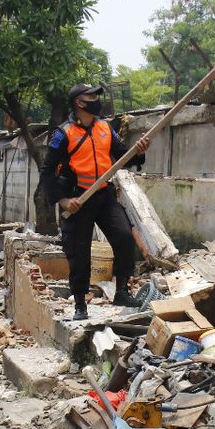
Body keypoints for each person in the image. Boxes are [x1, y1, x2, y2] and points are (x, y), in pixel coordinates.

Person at [39, 83, 150, 320]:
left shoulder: (105, 128)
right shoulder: (63, 133)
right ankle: (80, 304)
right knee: (79, 252)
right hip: (78, 198)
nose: (96, 100)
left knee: (123, 237)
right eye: (91, 96)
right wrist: (63, 200)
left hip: (104, 194)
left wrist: (139, 152)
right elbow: (47, 171)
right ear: (80, 102)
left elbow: (123, 157)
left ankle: (121, 291)